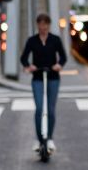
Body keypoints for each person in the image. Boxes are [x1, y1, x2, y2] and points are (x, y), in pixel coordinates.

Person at [20, 12, 65, 153]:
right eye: (41, 24)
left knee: (51, 110)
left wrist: (59, 65)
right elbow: (24, 58)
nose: (43, 27)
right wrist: (29, 66)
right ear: (37, 25)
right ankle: (39, 139)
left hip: (53, 76)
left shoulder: (55, 40)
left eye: (46, 24)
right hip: (38, 77)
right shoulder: (32, 40)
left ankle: (50, 137)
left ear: (49, 25)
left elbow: (63, 56)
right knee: (39, 109)